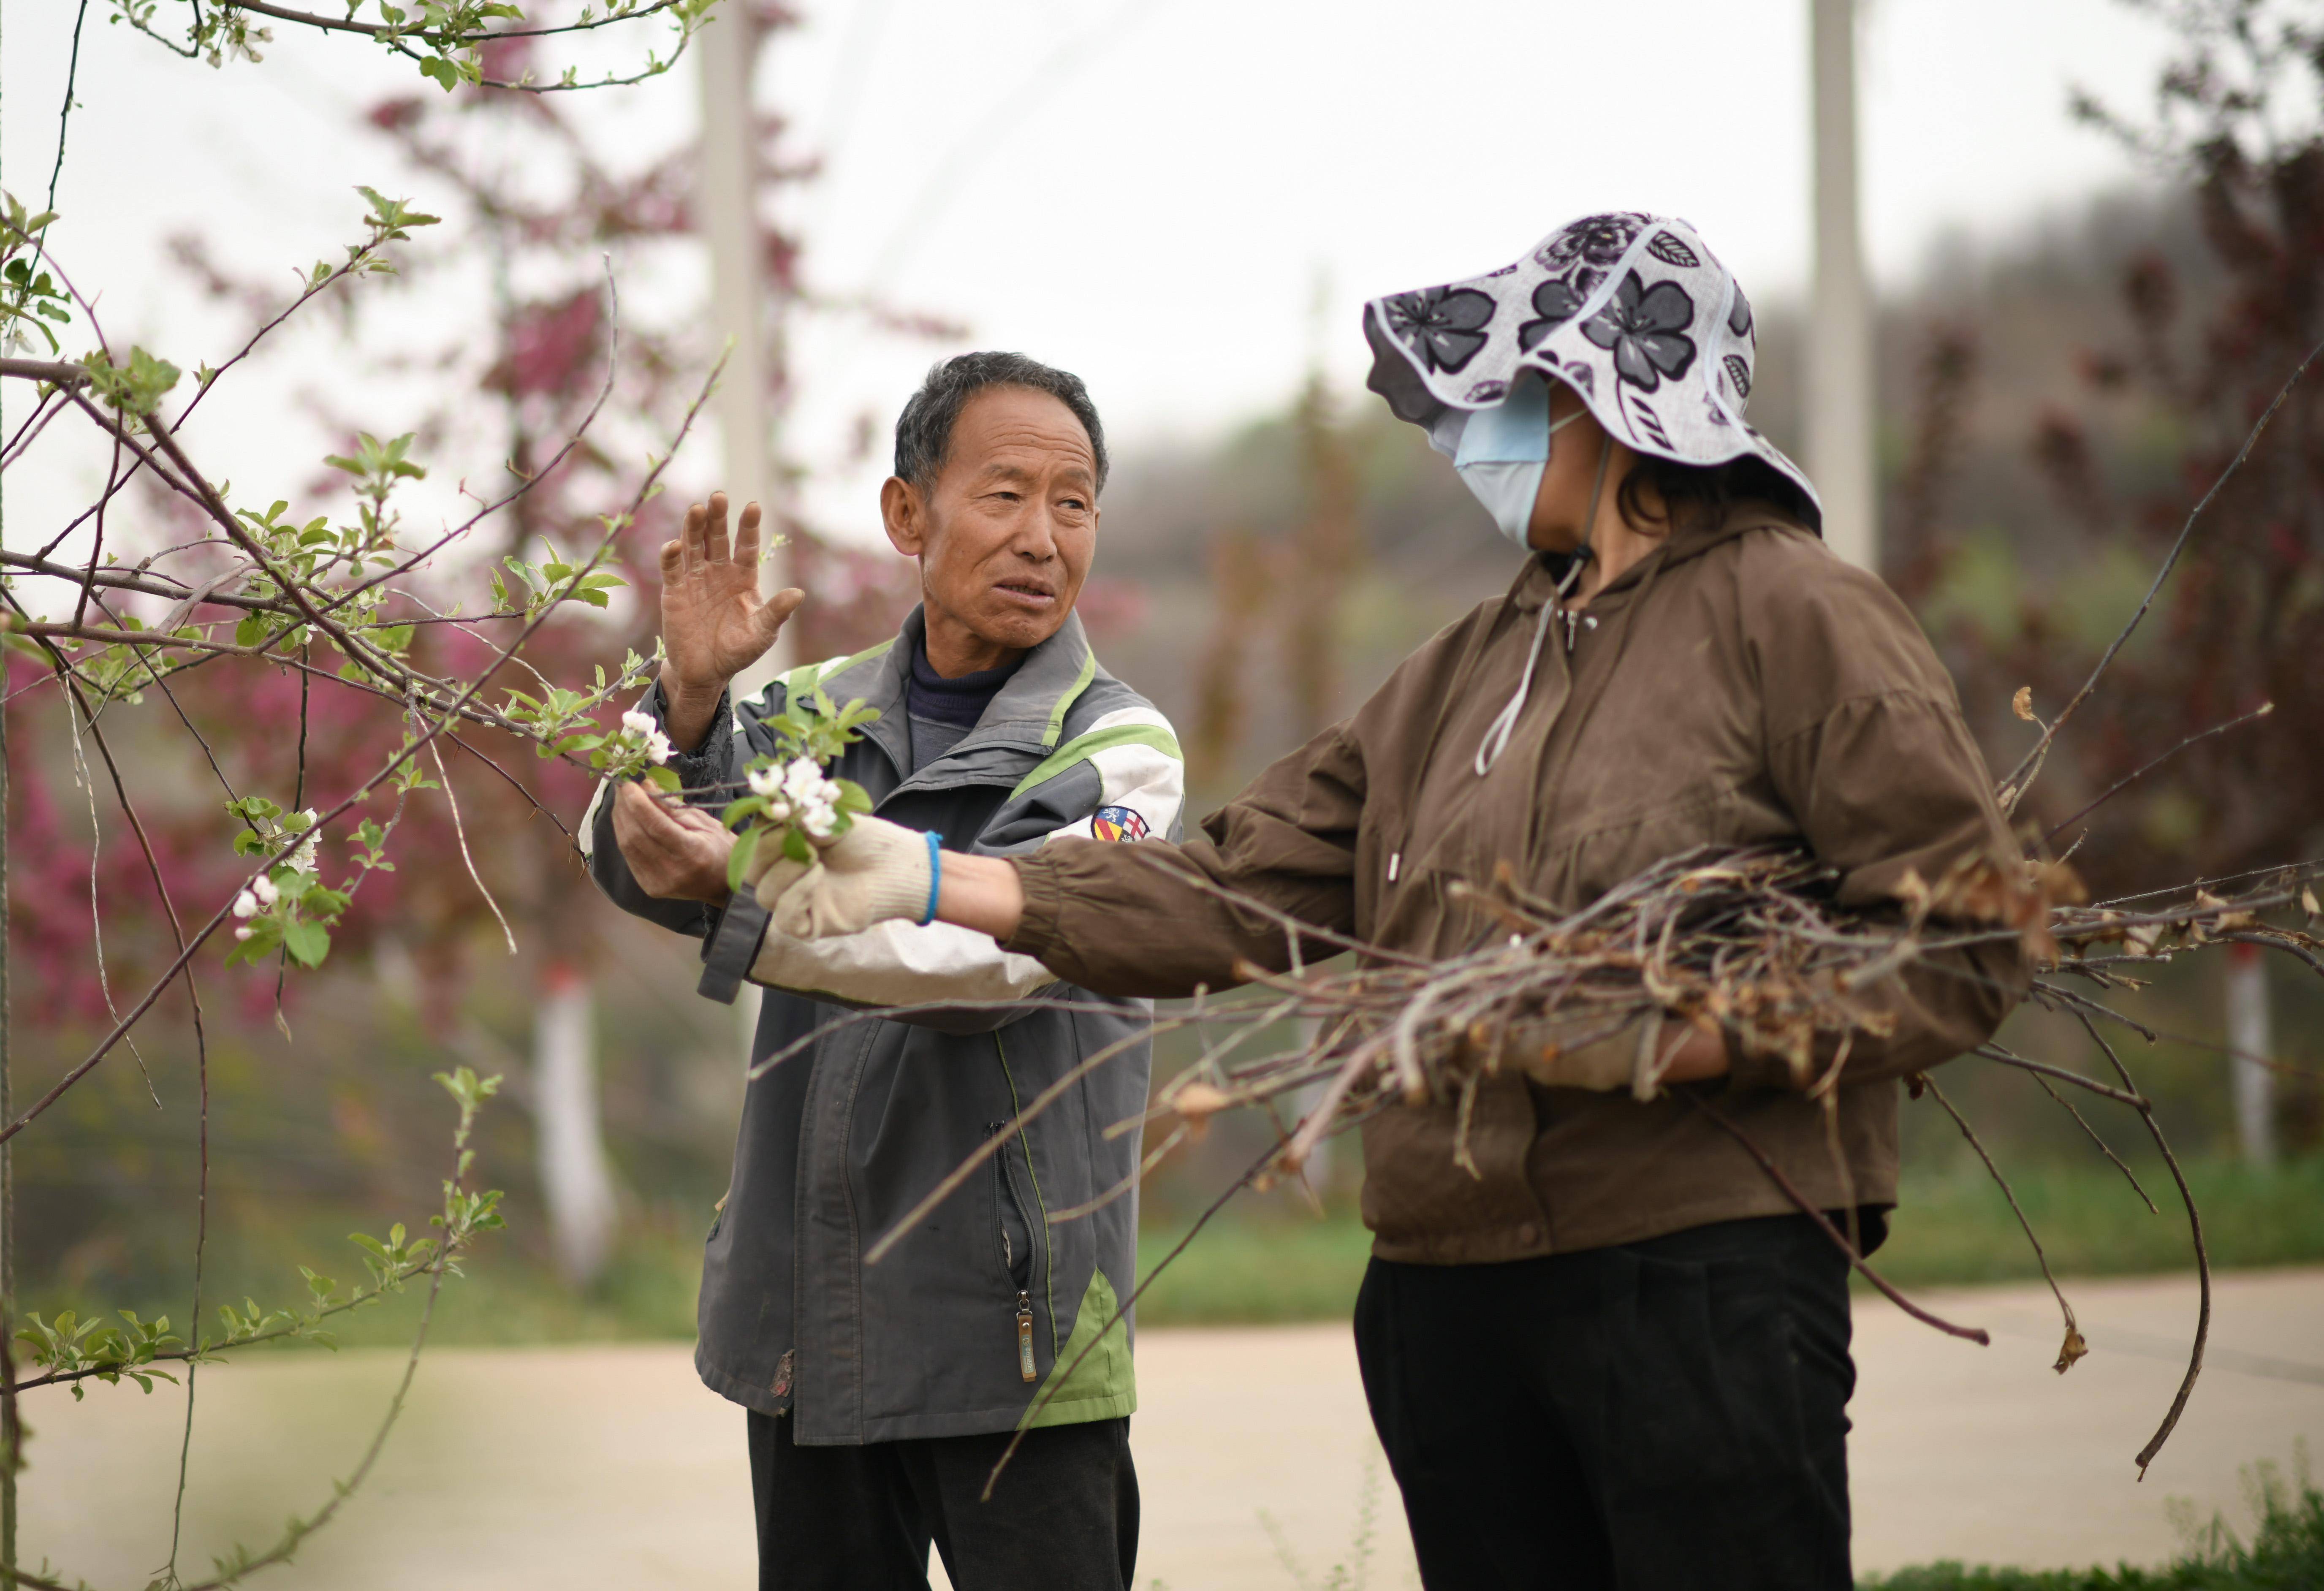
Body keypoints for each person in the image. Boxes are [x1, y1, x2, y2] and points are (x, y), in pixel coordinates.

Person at [747, 215, 2031, 1589]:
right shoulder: (1462, 672)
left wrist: (1702, 1032)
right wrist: (949, 879)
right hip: (1447, 1284)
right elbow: (1233, 887)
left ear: (1603, 397)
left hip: (1694, 1274)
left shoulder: (1794, 616)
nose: (1469, 433)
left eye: (1503, 400)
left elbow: (1963, 944)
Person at [582, 352, 1182, 1591]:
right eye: (1005, 494)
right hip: (813, 1328)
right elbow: (631, 859)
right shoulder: (805, 715)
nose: (1042, 537)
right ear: (907, 513)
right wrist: (690, 705)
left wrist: (747, 891)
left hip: (1020, 1339)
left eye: (1072, 504)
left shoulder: (1119, 748)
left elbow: (980, 960)